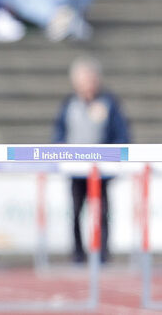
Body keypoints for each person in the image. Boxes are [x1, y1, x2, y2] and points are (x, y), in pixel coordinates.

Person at [53, 56, 130, 264]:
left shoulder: (109, 102)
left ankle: (103, 254)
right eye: (83, 79)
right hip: (76, 169)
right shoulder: (69, 103)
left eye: (91, 78)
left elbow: (121, 133)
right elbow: (59, 133)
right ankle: (78, 253)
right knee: (76, 211)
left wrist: (114, 156)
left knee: (102, 211)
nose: (88, 83)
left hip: (101, 169)